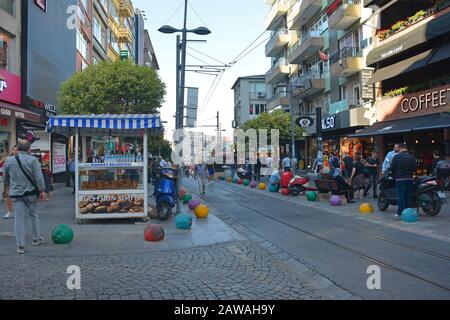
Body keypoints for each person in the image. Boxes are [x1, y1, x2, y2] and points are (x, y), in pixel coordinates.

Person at [3, 140, 47, 254]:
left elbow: (5, 177)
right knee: (33, 215)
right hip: (30, 193)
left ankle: (20, 246)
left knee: (18, 219)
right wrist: (42, 190)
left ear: (17, 148)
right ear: (29, 149)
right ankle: (36, 238)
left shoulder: (9, 160)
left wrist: (7, 188)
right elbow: (39, 177)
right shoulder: (33, 160)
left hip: (16, 193)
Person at [390, 143, 417, 219]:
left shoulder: (397, 157)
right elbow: (415, 168)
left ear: (400, 148)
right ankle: (408, 212)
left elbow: (392, 168)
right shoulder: (412, 157)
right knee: (408, 196)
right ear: (406, 149)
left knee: (401, 197)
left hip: (400, 179)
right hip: (409, 179)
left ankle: (400, 213)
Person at [3, 145, 19, 219]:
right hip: (10, 181)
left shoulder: (23, 159)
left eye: (16, 149)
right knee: (8, 197)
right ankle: (10, 212)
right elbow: (5, 172)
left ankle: (18, 211)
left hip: (20, 182)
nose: (15, 151)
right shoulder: (8, 160)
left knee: (20, 198)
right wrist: (6, 185)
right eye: (13, 149)